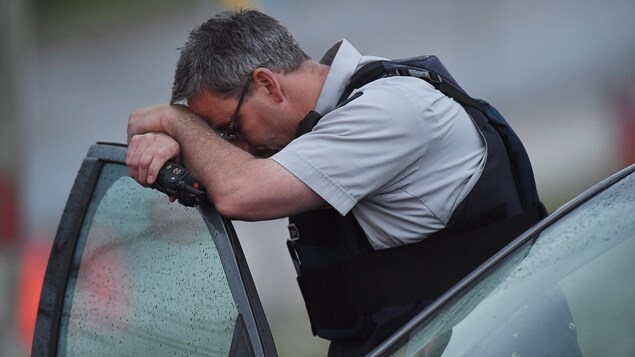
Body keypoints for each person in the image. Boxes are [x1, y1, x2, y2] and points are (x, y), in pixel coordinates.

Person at [126, 9, 532, 355]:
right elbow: (232, 174)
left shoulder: (386, 111)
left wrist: (175, 122)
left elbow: (240, 191)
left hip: (491, 339)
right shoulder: (336, 119)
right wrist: (184, 149)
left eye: (230, 129)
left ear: (268, 84)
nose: (237, 147)